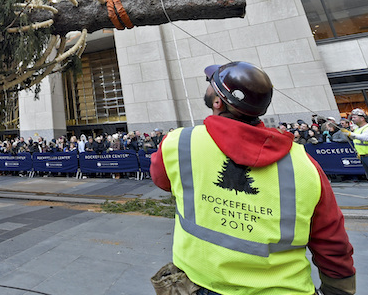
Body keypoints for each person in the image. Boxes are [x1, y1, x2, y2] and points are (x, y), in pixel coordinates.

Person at [150, 61, 355, 295]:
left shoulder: (179, 143)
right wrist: (339, 289)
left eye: (212, 85)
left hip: (200, 284)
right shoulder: (305, 164)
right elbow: (331, 238)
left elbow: (162, 180)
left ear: (217, 102)